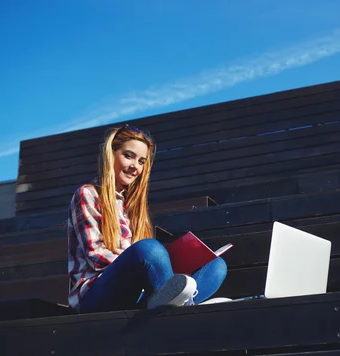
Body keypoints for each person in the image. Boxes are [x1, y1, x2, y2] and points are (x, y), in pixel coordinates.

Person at [67, 124, 227, 313]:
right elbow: (96, 256)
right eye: (128, 156)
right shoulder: (88, 194)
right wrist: (150, 262)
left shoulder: (133, 207)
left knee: (216, 266)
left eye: (142, 161)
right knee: (149, 249)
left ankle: (171, 306)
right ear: (111, 155)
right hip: (97, 293)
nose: (135, 166)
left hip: (137, 293)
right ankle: (182, 308)